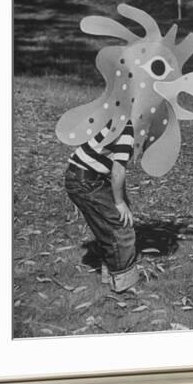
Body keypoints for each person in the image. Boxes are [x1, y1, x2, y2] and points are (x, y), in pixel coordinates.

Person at [64, 119, 139, 293]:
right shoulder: (127, 129)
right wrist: (119, 203)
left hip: (82, 176)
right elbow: (118, 170)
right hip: (85, 181)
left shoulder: (117, 119)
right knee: (120, 228)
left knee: (107, 226)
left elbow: (114, 166)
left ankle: (110, 275)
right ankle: (125, 286)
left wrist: (122, 199)